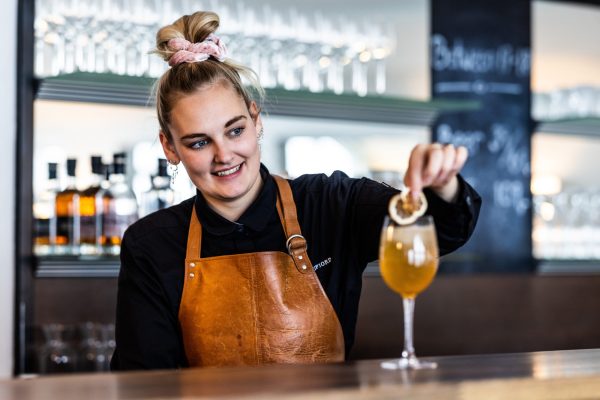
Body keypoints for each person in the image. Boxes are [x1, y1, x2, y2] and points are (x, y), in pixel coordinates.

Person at [111, 11, 481, 371]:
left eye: (235, 130)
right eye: (198, 142)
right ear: (170, 147)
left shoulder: (331, 203)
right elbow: (142, 382)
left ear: (256, 120)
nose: (224, 155)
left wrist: (441, 183)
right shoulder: (151, 245)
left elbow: (443, 229)